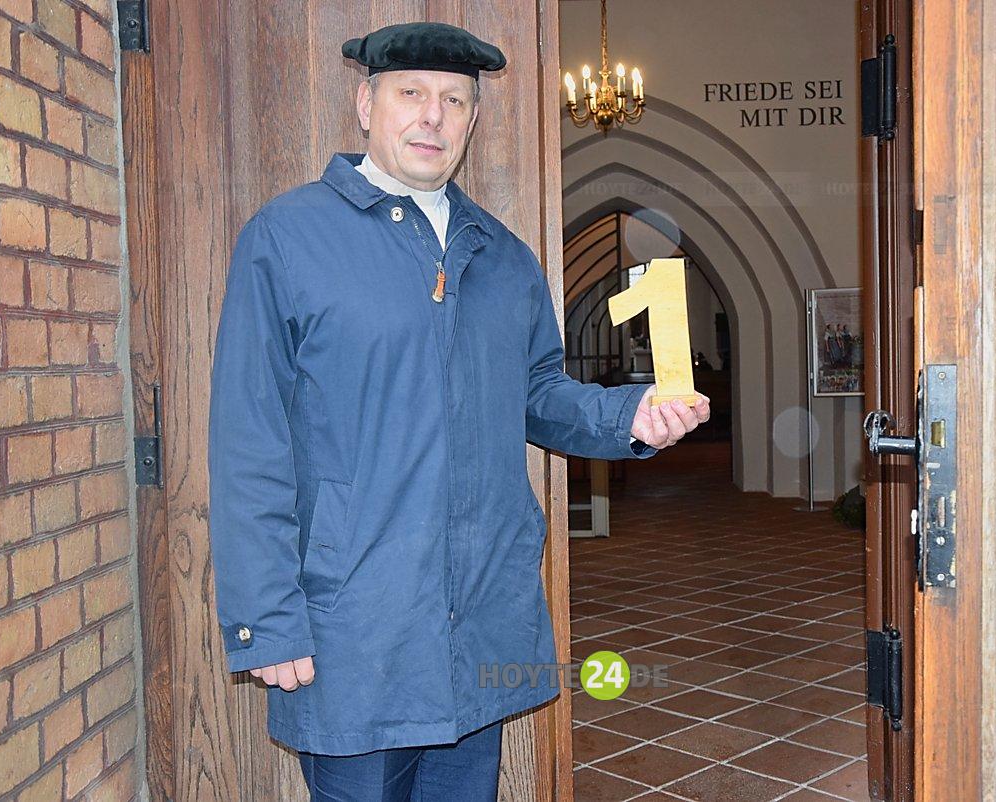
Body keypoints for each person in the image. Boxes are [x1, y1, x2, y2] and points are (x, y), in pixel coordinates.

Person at [206, 21, 710, 802]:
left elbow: (538, 393)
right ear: (366, 104)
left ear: (473, 118)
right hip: (355, 633)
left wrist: (629, 417)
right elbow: (248, 439)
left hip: (479, 623)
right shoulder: (288, 238)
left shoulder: (502, 257)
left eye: (453, 100)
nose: (432, 116)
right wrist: (266, 621)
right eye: (411, 93)